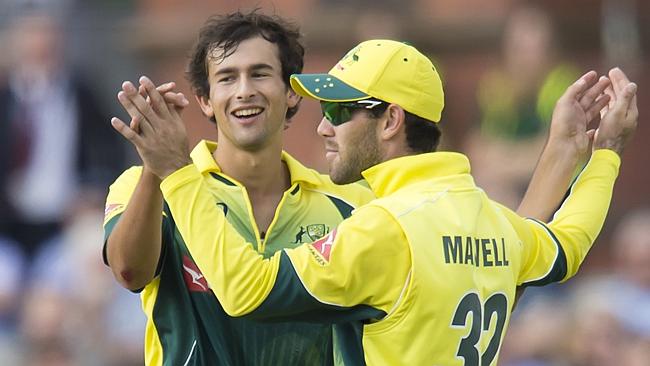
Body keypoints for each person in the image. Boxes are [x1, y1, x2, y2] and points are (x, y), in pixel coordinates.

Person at [116, 38, 637, 365]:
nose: (323, 125)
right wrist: (600, 153)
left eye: (341, 111)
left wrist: (176, 172)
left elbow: (247, 291)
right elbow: (566, 244)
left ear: (390, 121)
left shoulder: (381, 228)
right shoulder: (491, 220)